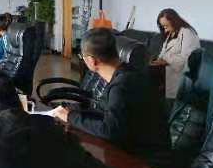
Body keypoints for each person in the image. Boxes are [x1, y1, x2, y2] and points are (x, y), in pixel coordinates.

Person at [51, 28, 171, 160]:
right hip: (134, 148)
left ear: (91, 61)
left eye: (81, 57)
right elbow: (107, 114)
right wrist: (75, 112)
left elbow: (109, 131)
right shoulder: (127, 73)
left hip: (146, 161)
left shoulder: (121, 86)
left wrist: (70, 117)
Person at [150, 8, 200, 99]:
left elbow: (188, 59)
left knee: (147, 74)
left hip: (179, 73)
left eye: (166, 26)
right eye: (163, 27)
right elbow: (163, 53)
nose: (165, 30)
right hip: (165, 70)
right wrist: (157, 60)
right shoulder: (171, 33)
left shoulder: (187, 33)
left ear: (174, 21)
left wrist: (166, 61)